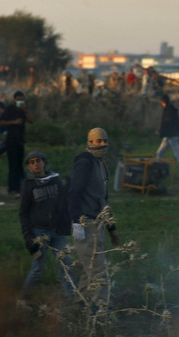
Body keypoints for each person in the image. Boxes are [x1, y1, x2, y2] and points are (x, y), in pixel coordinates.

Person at [68, 127, 120, 311]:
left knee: (90, 266)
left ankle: (78, 306)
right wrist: (76, 222)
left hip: (98, 224)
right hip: (86, 223)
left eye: (104, 140)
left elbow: (103, 199)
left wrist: (112, 228)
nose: (102, 144)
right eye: (98, 141)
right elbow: (74, 192)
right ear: (89, 143)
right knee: (98, 269)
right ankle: (102, 311)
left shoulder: (101, 164)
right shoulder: (85, 163)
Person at [18, 151, 76, 303]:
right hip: (39, 232)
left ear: (44, 162)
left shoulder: (55, 180)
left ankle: (74, 299)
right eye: (31, 162)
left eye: (38, 160)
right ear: (29, 167)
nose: (36, 164)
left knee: (67, 265)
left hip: (57, 231)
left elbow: (64, 204)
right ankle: (24, 300)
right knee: (38, 269)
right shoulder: (28, 184)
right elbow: (23, 213)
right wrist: (28, 237)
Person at [0, 91, 33, 198]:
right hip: (11, 140)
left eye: (21, 99)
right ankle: (12, 188)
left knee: (19, 165)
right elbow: (1, 122)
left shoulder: (23, 110)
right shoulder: (9, 109)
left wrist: (24, 110)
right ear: (14, 99)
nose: (20, 101)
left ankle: (19, 188)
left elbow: (31, 121)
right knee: (12, 165)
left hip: (20, 141)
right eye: (18, 99)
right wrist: (13, 122)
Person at [156, 94, 179, 168]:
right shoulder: (172, 110)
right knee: (160, 152)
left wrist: (160, 131)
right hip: (171, 135)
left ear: (163, 102)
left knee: (176, 152)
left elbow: (166, 123)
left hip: (170, 135)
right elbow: (178, 123)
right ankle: (158, 165)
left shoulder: (167, 111)